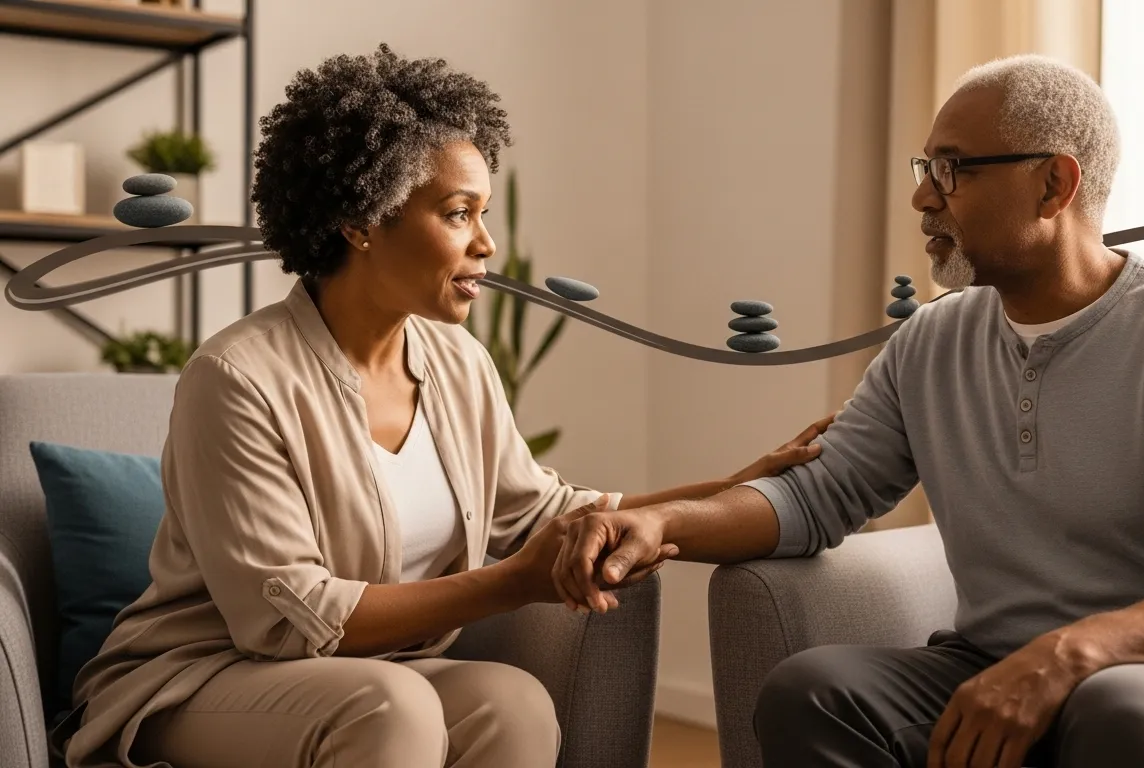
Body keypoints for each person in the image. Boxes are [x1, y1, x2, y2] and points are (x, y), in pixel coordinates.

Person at [52, 44, 832, 768]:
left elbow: (546, 512)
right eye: (459, 213)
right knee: (390, 708)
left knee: (512, 702)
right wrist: (514, 583)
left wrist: (733, 488)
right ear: (360, 220)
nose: (487, 243)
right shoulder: (236, 377)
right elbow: (286, 619)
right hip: (199, 677)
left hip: (371, 676)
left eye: (484, 213)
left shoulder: (457, 362)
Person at [552, 54, 1144, 768]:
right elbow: (821, 493)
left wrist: (1067, 655)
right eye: (926, 169)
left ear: (1054, 185)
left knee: (1120, 709)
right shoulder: (931, 340)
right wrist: (666, 522)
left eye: (951, 170)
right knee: (811, 690)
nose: (922, 196)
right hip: (990, 663)